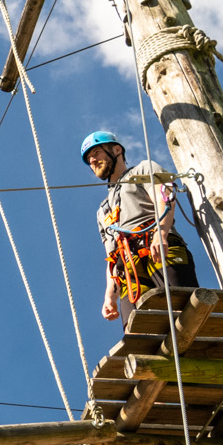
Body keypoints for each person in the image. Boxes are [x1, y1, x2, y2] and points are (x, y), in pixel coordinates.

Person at [82, 130, 199, 320]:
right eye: (89, 159)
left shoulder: (143, 170)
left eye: (96, 153)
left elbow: (165, 200)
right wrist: (109, 296)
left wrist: (160, 236)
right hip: (128, 266)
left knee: (184, 308)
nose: (92, 161)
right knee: (136, 328)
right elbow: (111, 256)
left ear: (117, 149)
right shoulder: (103, 210)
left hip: (156, 247)